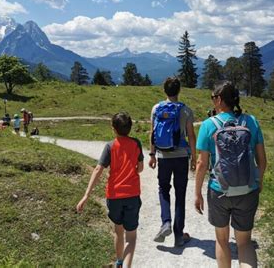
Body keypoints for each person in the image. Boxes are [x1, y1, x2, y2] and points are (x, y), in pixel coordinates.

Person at [195, 81, 267, 268]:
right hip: (248, 190)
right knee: (244, 243)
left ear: (219, 100)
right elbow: (262, 160)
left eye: (213, 98)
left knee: (222, 241)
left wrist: (197, 193)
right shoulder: (251, 121)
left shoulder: (208, 125)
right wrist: (258, 182)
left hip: (219, 191)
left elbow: (202, 164)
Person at [77, 112, 144, 268]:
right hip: (132, 195)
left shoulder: (110, 146)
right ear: (130, 128)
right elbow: (140, 168)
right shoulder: (136, 143)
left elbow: (98, 169)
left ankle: (119, 262)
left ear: (113, 128)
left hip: (114, 196)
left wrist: (86, 195)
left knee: (118, 231)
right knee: (131, 237)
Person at [149, 77, 197, 247]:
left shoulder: (156, 109)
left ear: (164, 90)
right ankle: (178, 235)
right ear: (179, 91)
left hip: (163, 156)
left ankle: (166, 222)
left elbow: (152, 133)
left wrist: (152, 154)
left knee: (163, 189)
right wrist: (194, 157)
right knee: (181, 193)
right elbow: (191, 136)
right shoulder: (186, 110)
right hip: (181, 156)